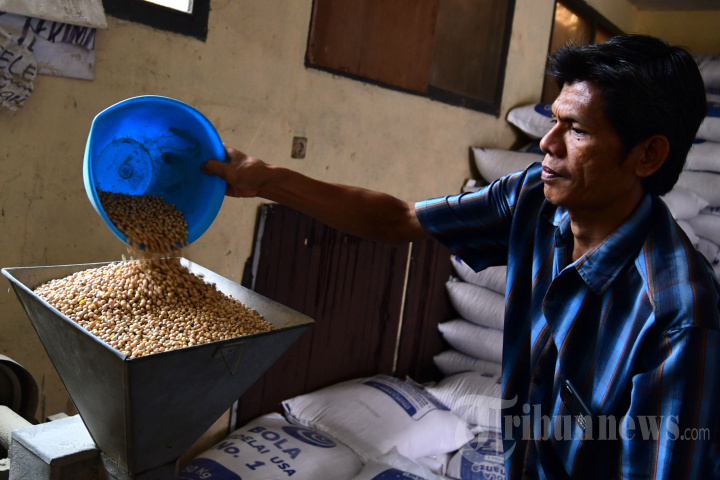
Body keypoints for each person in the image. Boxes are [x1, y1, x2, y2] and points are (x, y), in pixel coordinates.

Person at [202, 34, 720, 479]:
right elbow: (399, 219)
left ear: (648, 154)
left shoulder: (679, 320)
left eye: (578, 130)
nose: (548, 143)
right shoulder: (534, 200)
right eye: (554, 121)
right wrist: (266, 180)